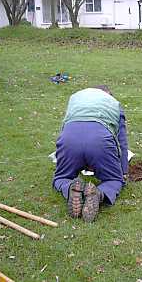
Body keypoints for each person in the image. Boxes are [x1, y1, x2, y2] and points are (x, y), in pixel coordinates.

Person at [52, 85, 129, 222]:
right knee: (113, 180)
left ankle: (69, 187)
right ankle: (99, 194)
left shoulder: (76, 98)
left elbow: (64, 127)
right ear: (109, 95)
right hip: (100, 141)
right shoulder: (114, 104)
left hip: (69, 139)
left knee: (61, 177)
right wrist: (122, 171)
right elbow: (122, 141)